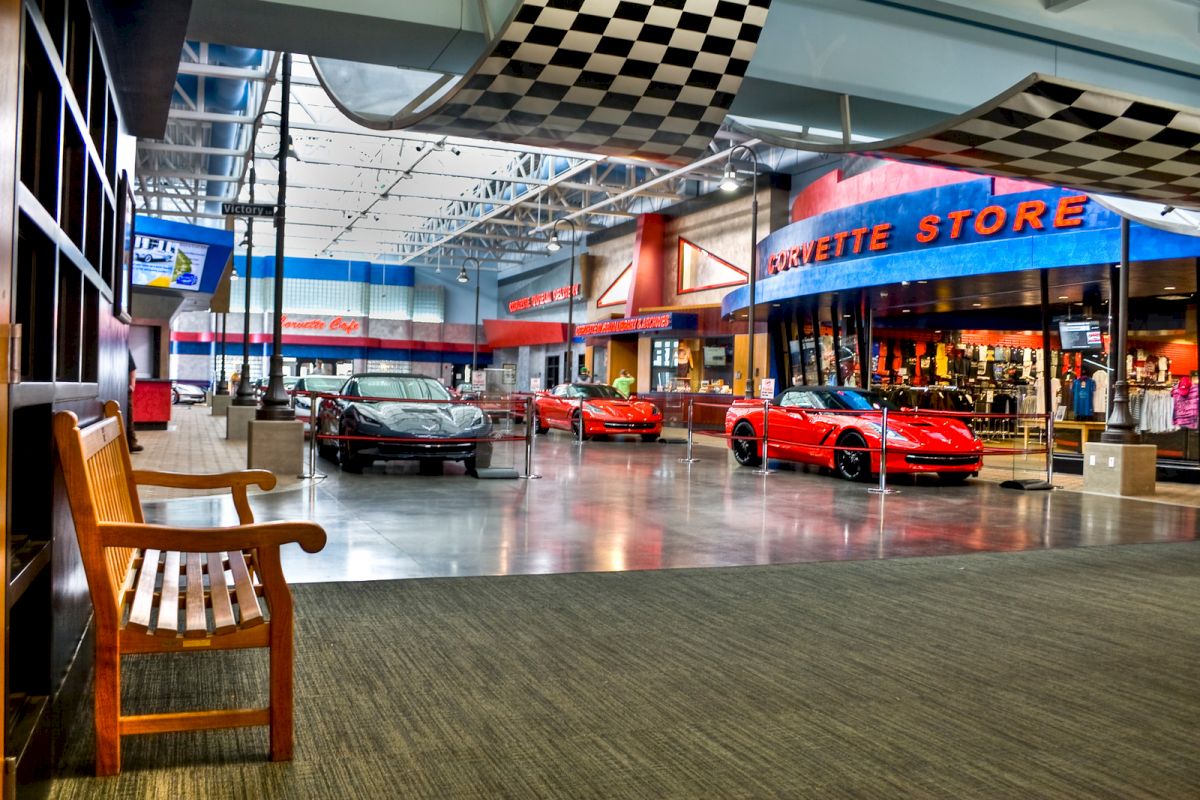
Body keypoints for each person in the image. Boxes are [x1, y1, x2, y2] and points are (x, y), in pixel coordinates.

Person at [127, 351, 143, 453]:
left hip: (125, 390)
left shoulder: (125, 350)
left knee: (129, 416)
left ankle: (131, 443)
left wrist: (132, 385)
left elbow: (132, 369)